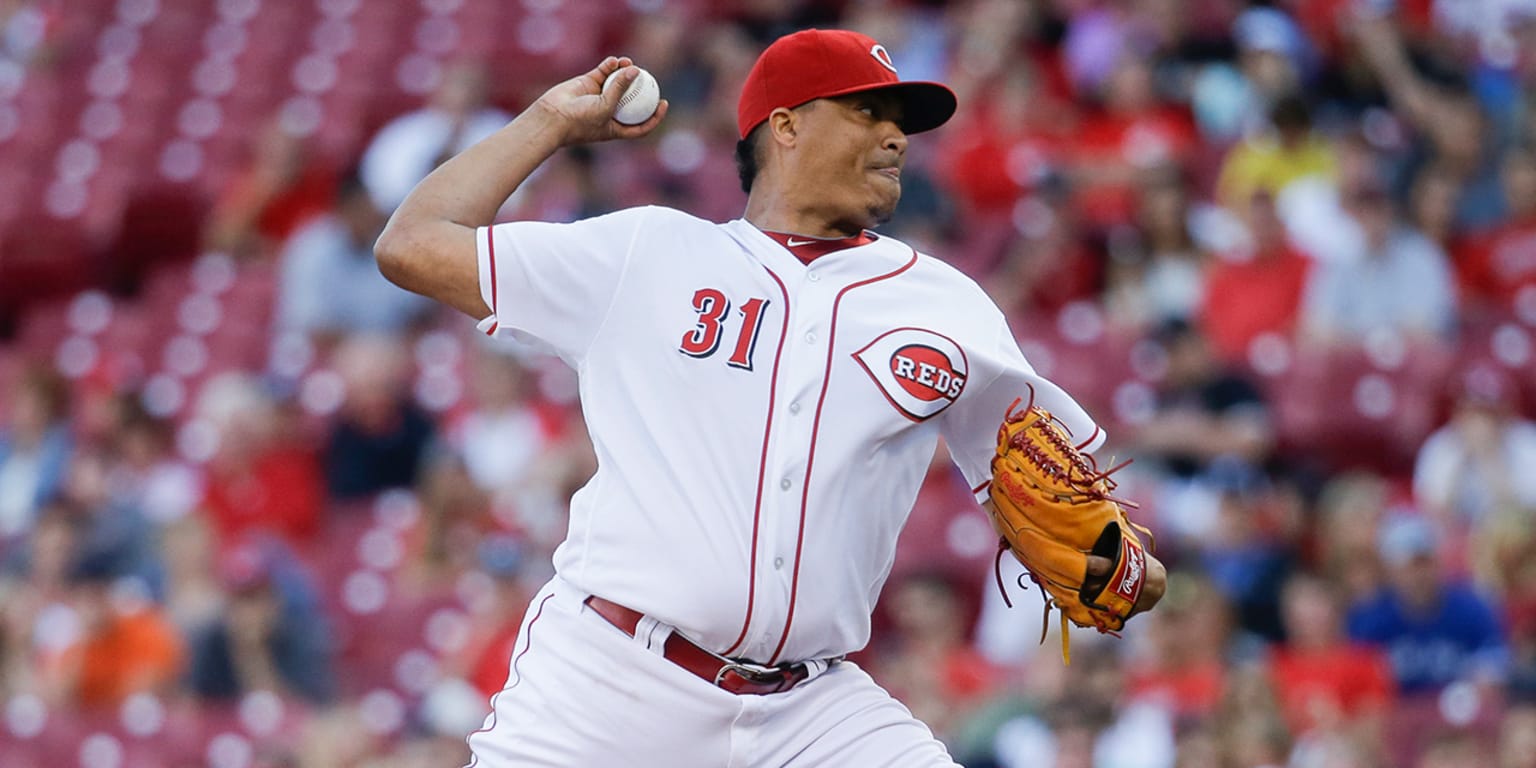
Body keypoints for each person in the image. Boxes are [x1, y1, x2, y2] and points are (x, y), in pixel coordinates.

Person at [374, 29, 1166, 766]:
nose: (894, 136)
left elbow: (1061, 501)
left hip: (809, 708)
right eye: (867, 111)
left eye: (900, 120)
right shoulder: (648, 252)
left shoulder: (946, 305)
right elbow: (413, 244)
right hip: (609, 681)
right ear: (784, 126)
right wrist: (547, 122)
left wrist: (1116, 567)